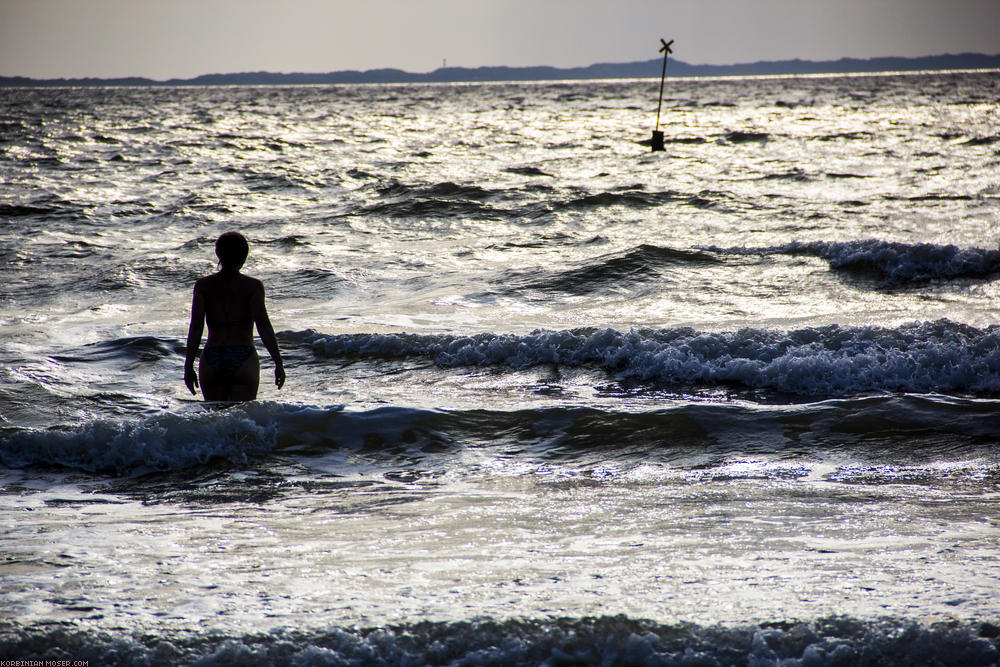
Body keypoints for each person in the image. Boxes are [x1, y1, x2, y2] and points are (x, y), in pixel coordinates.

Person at [184, 231, 285, 400]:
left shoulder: (203, 286)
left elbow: (196, 328)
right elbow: (264, 326)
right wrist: (278, 363)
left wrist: (188, 366)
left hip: (212, 357)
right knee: (243, 420)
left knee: (215, 420)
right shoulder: (253, 286)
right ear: (244, 255)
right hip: (243, 356)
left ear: (218, 254)